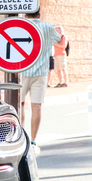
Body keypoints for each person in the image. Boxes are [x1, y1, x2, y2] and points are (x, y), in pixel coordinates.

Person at [20, 10, 61, 153]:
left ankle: (21, 139)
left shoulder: (20, 25)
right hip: (41, 73)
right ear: (39, 15)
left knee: (20, 105)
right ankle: (33, 140)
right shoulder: (48, 27)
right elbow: (59, 39)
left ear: (25, 15)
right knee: (36, 106)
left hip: (22, 71)